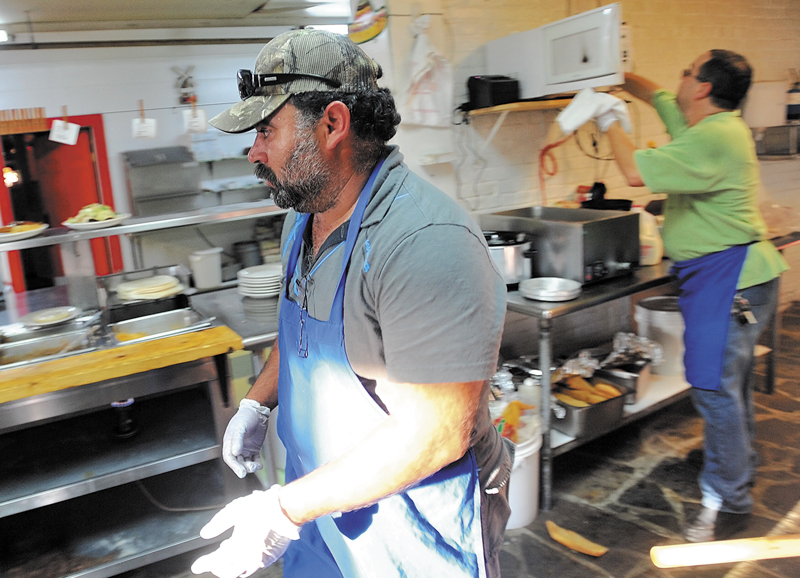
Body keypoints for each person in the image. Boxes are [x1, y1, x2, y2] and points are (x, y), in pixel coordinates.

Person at [190, 29, 512, 578]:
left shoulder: (425, 240)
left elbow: (435, 433)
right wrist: (257, 402)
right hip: (321, 508)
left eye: (267, 130)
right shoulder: (303, 217)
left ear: (333, 124)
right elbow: (299, 333)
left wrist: (282, 510)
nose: (254, 152)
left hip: (411, 532)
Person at [558, 50, 789, 543]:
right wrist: (610, 74)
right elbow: (658, 97)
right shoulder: (707, 127)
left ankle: (728, 496)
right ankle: (734, 462)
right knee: (730, 382)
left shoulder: (715, 136)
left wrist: (604, 115)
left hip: (731, 280)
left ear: (703, 88)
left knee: (713, 386)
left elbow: (634, 172)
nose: (679, 77)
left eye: (687, 71)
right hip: (730, 275)